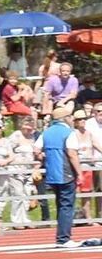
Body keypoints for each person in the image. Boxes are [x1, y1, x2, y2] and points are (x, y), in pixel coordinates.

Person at [35, 106, 82, 247]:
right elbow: (72, 154)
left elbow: (36, 149)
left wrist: (42, 156)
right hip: (66, 173)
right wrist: (79, 173)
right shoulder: (69, 133)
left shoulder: (46, 132)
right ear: (66, 118)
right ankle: (64, 238)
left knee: (60, 205)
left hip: (51, 174)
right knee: (67, 206)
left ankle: (62, 236)